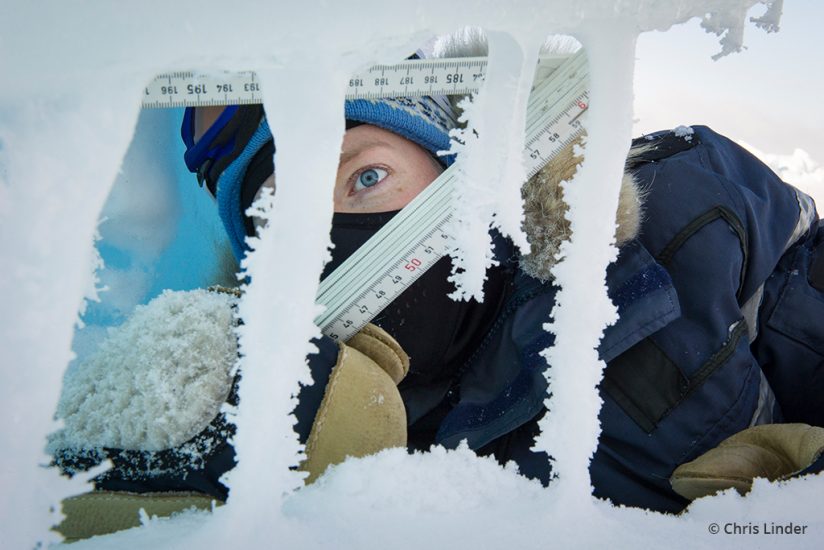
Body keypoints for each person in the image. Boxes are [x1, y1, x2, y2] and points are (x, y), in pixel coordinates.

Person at [51, 37, 824, 540]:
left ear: (459, 164)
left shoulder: (690, 213)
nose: (330, 240)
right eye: (279, 214)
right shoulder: (296, 412)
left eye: (368, 176)